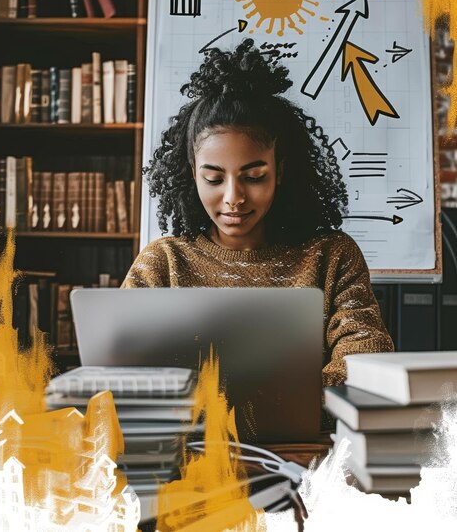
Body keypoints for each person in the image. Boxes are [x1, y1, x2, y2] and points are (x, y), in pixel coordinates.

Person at [122, 39, 394, 387]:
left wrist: (271, 406)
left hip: (308, 440)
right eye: (214, 178)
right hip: (191, 441)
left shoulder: (331, 257)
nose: (233, 198)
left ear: (279, 170)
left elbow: (366, 362)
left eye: (254, 177)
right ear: (192, 174)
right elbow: (126, 371)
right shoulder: (164, 264)